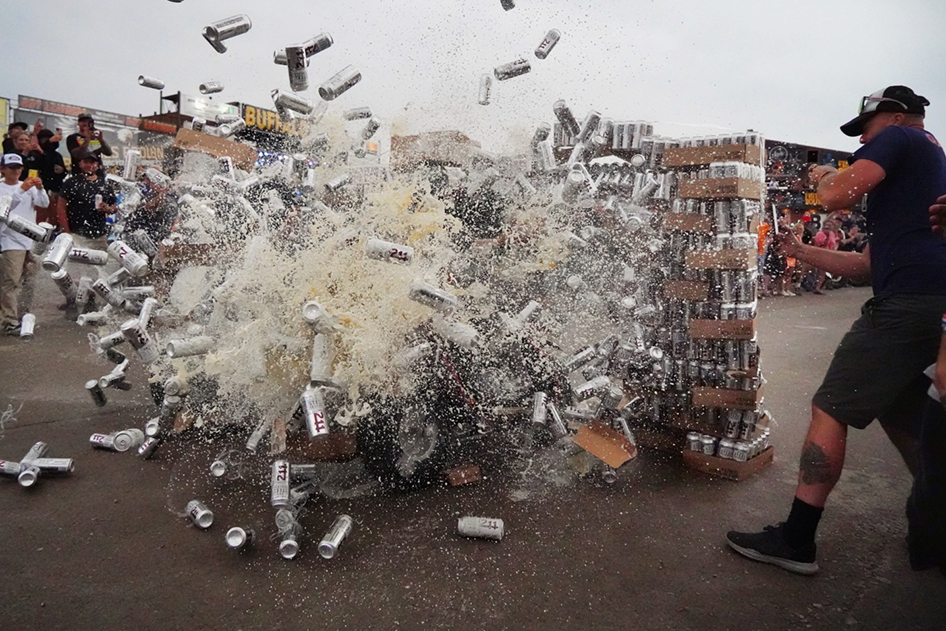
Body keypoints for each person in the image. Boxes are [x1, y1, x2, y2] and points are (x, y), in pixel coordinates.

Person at [727, 85, 946, 575]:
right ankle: (935, 520)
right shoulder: (923, 167)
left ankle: (797, 539)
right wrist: (803, 253)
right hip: (928, 300)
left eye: (863, 131)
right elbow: (866, 266)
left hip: (906, 304)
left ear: (890, 117)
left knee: (830, 406)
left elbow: (832, 195)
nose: (862, 142)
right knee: (900, 410)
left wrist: (826, 174)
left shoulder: (900, 140)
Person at [0, 154, 49, 335]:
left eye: (19, 167)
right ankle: (8, 320)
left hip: (30, 239)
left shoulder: (28, 186)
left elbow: (43, 203)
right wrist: (21, 189)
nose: (16, 170)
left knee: (30, 281)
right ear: (3, 169)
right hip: (10, 240)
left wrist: (40, 187)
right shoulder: (2, 187)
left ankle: (22, 315)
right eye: (12, 167)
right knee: (10, 281)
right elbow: (4, 210)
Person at [55, 149, 117, 249]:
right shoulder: (71, 183)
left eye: (92, 162)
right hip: (77, 234)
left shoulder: (104, 185)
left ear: (97, 164)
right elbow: (61, 208)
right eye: (86, 162)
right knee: (77, 264)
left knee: (99, 262)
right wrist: (66, 233)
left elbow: (113, 207)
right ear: (80, 164)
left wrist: (107, 209)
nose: (89, 165)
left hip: (99, 236)